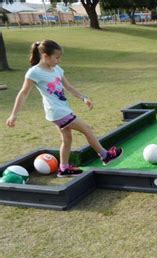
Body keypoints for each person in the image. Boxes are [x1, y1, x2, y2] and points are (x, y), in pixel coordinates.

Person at [5, 40, 122, 177]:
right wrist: (13, 115)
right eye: (56, 57)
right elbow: (23, 93)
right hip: (56, 111)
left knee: (67, 139)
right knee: (86, 128)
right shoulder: (34, 72)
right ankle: (105, 155)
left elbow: (69, 87)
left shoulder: (57, 70)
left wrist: (83, 98)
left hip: (62, 108)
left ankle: (64, 168)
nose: (58, 60)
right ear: (45, 55)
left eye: (60, 57)